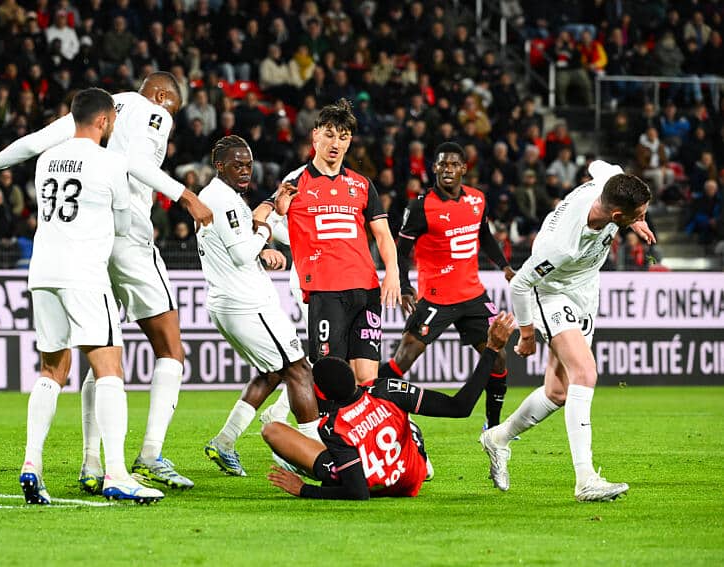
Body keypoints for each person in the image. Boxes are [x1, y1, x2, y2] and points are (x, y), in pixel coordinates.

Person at [0, 72, 214, 492]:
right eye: (171, 106)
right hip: (120, 236)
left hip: (56, 258)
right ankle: (146, 456)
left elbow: (33, 141)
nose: (169, 116)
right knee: (168, 348)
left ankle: (89, 460)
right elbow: (134, 166)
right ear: (162, 96)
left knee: (88, 355)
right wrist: (186, 195)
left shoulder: (96, 107)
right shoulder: (152, 112)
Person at [480, 160, 655, 502]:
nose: (642, 219)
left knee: (558, 392)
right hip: (551, 291)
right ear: (617, 215)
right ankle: (585, 478)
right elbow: (520, 285)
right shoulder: (562, 245)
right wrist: (527, 333)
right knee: (585, 373)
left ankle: (498, 438)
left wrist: (638, 220)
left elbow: (599, 164)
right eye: (638, 215)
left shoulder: (609, 183)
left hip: (585, 291)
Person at [18, 87, 161, 504]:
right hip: (84, 274)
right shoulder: (110, 162)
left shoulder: (46, 159)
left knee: (52, 370)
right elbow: (120, 226)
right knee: (109, 367)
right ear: (104, 120)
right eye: (113, 118)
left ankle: (32, 463)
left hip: (43, 272)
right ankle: (116, 472)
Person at [263, 313, 516, 500]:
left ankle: (297, 463)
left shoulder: (332, 426)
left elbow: (358, 492)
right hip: (410, 477)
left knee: (272, 430)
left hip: (372, 482)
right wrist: (492, 349)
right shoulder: (385, 389)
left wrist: (304, 490)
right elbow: (460, 406)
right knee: (405, 414)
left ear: (323, 394)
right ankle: (420, 457)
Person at [196, 136, 321, 476]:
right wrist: (264, 233)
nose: (245, 171)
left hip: (228, 301)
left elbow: (236, 245)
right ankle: (314, 455)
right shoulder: (223, 200)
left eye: (248, 165)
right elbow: (240, 252)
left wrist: (262, 233)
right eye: (237, 164)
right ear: (219, 165)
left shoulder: (217, 197)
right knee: (299, 369)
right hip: (248, 304)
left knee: (273, 372)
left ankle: (224, 441)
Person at [253, 99, 401, 384]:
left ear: (349, 143)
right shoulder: (296, 181)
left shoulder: (361, 184)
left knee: (367, 376)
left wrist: (392, 272)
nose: (336, 143)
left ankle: (363, 428)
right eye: (330, 134)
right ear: (315, 135)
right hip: (325, 292)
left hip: (365, 290)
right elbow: (260, 214)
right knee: (331, 375)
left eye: (343, 137)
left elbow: (383, 234)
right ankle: (326, 428)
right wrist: (264, 242)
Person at [378, 142, 515, 431]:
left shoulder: (477, 200)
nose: (448, 169)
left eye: (454, 164)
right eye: (442, 164)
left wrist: (505, 266)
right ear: (435, 169)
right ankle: (362, 397)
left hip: (473, 296)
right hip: (436, 298)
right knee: (404, 358)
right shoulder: (420, 207)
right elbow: (400, 251)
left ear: (464, 168)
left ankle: (493, 425)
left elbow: (485, 236)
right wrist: (404, 286)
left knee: (499, 358)